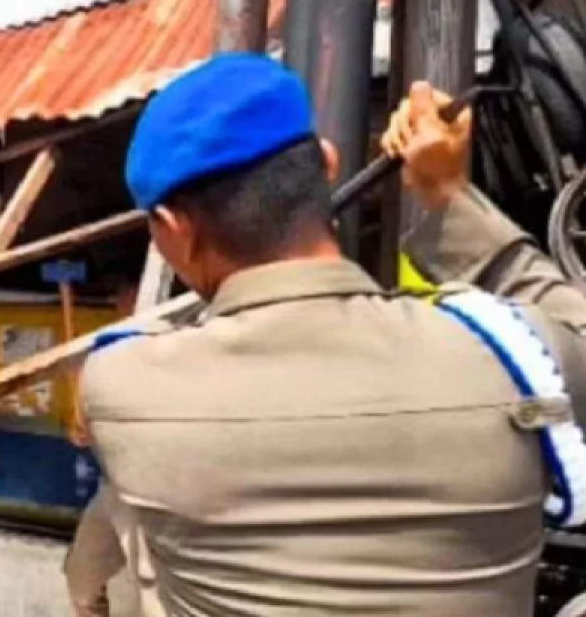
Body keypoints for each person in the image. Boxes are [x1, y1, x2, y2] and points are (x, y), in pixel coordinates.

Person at [81, 52, 586, 617]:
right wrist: (447, 196)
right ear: (327, 164)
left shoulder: (124, 384)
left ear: (175, 229)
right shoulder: (514, 358)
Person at [63, 274, 164, 617]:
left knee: (155, 596)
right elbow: (88, 422)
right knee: (82, 578)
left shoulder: (169, 349)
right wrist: (84, 421)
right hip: (113, 487)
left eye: (127, 297)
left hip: (153, 488)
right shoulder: (108, 350)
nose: (120, 304)